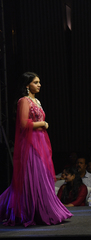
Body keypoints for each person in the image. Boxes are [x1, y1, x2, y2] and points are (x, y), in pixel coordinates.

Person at [0, 72, 72, 226]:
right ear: (27, 85)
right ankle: (30, 211)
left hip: (41, 141)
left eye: (39, 82)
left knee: (42, 175)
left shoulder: (36, 100)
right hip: (31, 142)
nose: (39, 85)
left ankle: (43, 209)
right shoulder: (24, 101)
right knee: (32, 176)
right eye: (36, 82)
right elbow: (24, 124)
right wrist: (43, 124)